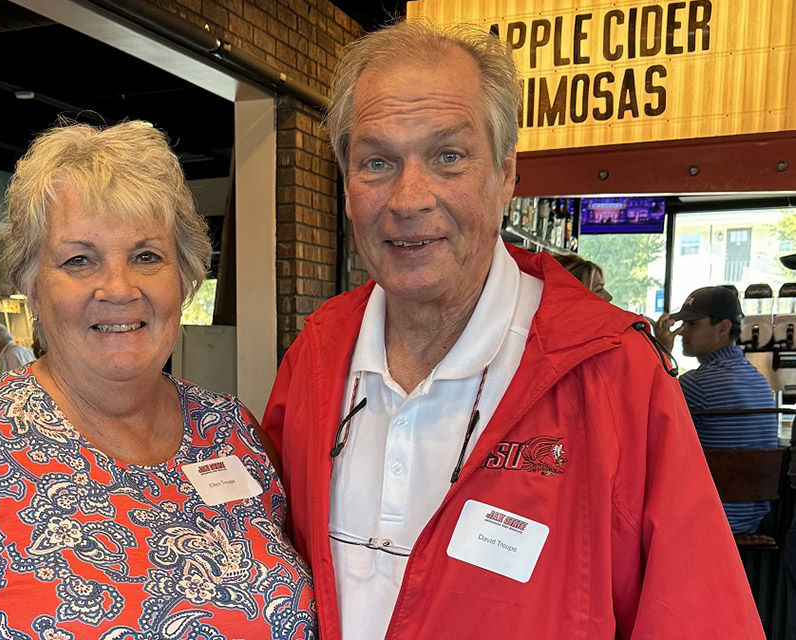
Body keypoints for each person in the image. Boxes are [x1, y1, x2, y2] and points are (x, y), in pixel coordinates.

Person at [262, 19, 762, 639]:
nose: (408, 199)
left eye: (449, 157)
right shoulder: (316, 354)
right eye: (377, 162)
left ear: (505, 175)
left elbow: (698, 618)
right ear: (346, 187)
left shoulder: (613, 373)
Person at [0, 121, 316, 639]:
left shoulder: (234, 432)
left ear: (186, 277)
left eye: (146, 256)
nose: (119, 288)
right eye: (79, 260)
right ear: (33, 289)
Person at [655, 286, 779, 533]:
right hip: (754, 519)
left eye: (692, 324)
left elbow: (643, 413)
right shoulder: (760, 381)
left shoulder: (696, 385)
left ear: (722, 327)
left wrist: (660, 352)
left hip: (706, 520)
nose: (682, 331)